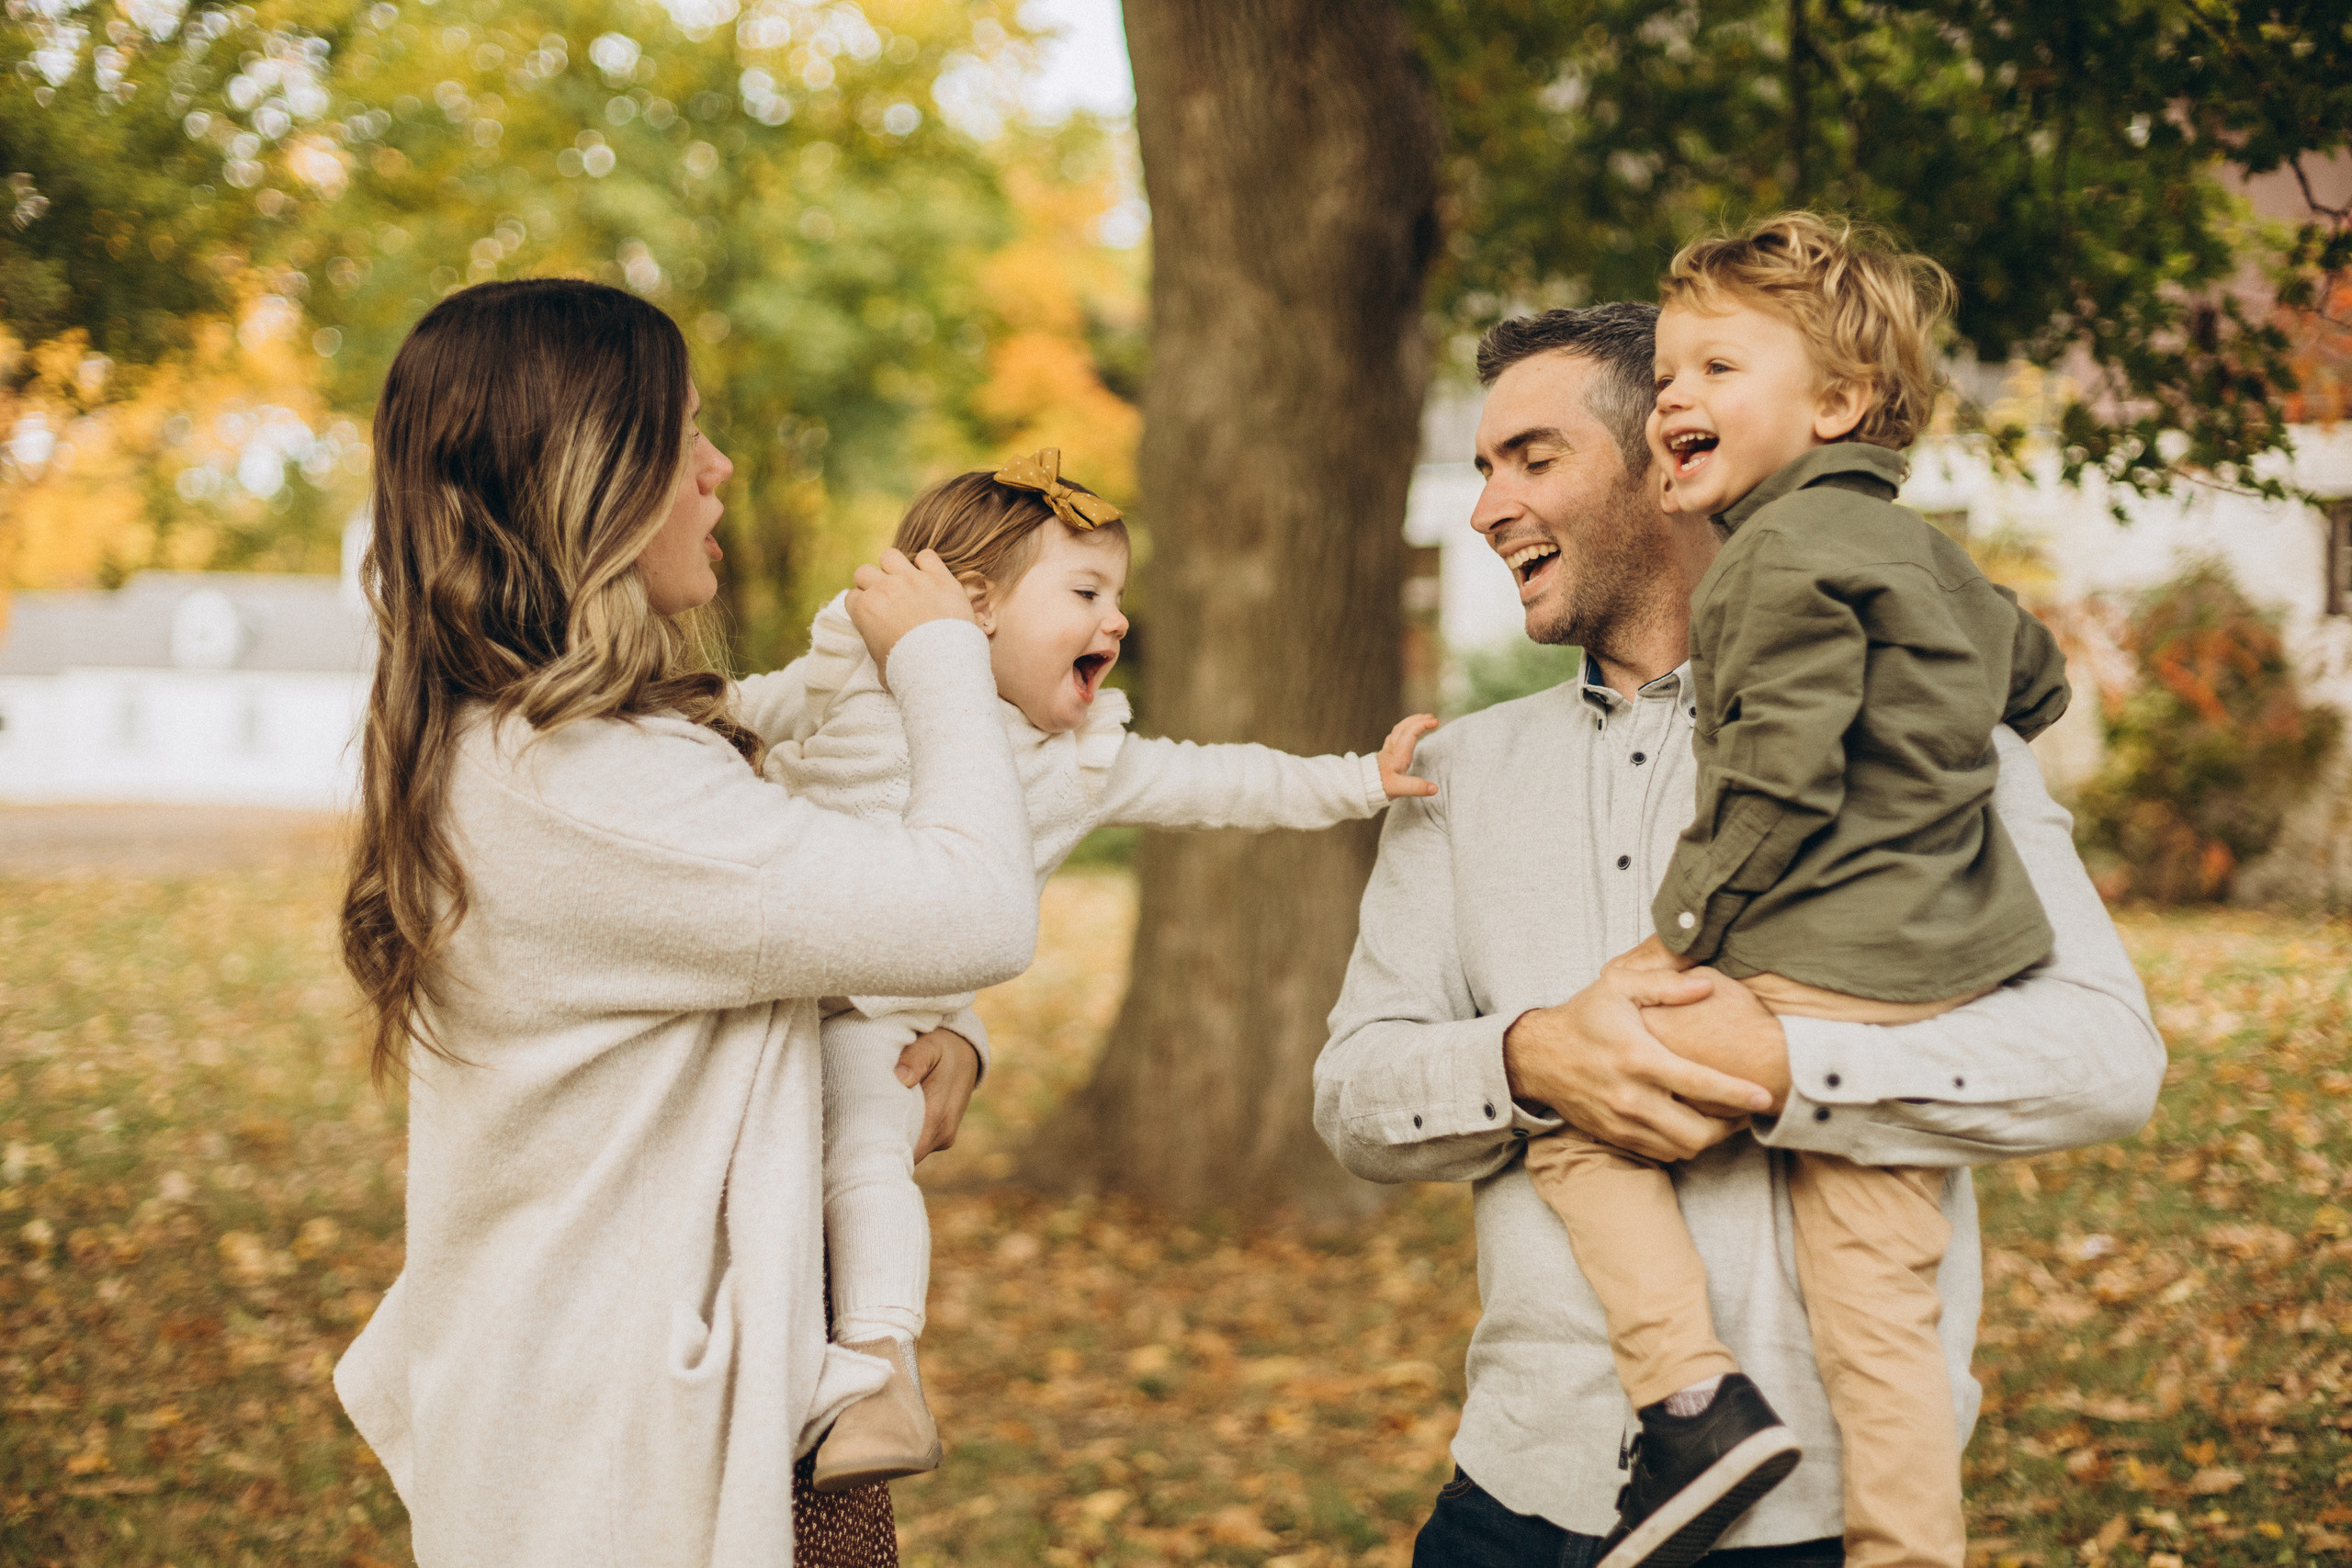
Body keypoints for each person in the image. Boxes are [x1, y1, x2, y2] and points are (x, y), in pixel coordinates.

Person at [1314, 299, 2164, 1567]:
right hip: (1511, 1492)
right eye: (1485, 468)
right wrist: (1530, 1059)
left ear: (1672, 459)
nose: (1488, 506)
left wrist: (1792, 1071)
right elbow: (1351, 1092)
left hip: (1808, 1519)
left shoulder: (1922, 726)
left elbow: (2105, 1053)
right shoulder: (1459, 775)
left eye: (1531, 459)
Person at [334, 276, 1037, 1568]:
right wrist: (946, 656)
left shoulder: (561, 756)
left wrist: (951, 1035)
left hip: (694, 1402)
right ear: (582, 479)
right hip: (622, 1461)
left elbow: (786, 941)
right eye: (682, 436)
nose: (716, 469)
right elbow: (974, 905)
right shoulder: (582, 784)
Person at [1522, 214, 2074, 1568]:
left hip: (1813, 961)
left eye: (1716, 368)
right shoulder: (1931, 554)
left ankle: (1695, 1404)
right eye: (1664, 378)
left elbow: (1777, 768)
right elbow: (2040, 676)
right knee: (1880, 1313)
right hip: (1941, 976)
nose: (1675, 398)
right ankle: (1906, 1547)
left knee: (1574, 1123)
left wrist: (1681, 936)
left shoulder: (1767, 559)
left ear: (1833, 405)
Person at [734, 449, 1439, 1492]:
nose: (1115, 621)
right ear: (971, 607)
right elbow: (743, 711)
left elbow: (1224, 781)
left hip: (874, 1022)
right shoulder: (856, 671)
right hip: (769, 985)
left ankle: (881, 1368)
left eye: (1118, 595)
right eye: (1085, 592)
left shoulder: (1082, 764)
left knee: (867, 1151)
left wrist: (1357, 782)